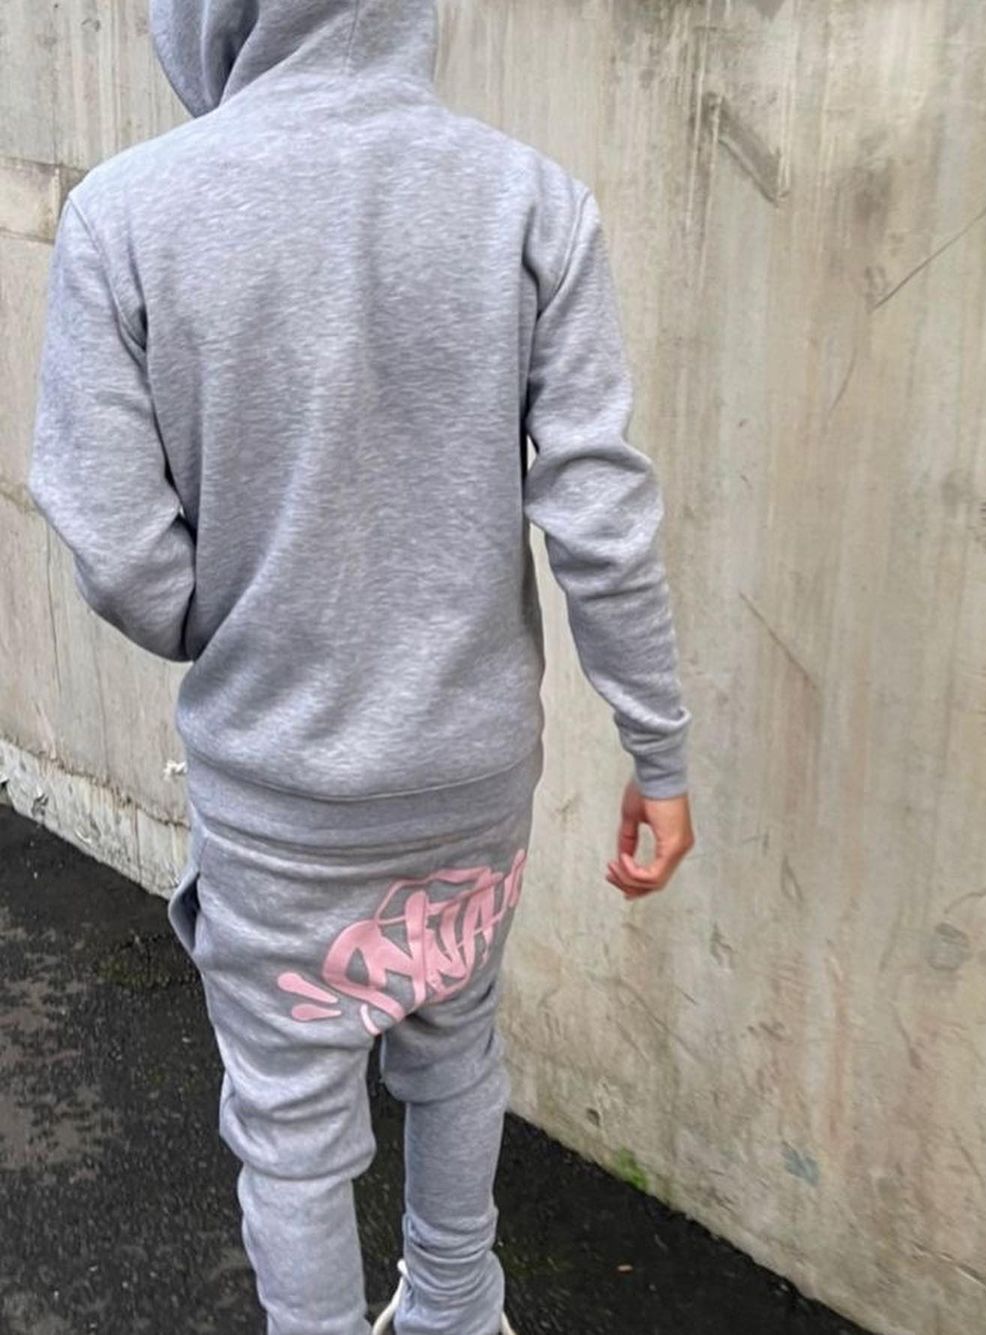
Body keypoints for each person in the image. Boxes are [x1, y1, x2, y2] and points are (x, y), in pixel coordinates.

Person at [26, 0, 696, 1331]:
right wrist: (658, 751)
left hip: (280, 788)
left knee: (291, 1131)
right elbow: (601, 516)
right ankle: (456, 1310)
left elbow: (111, 534)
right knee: (456, 1052)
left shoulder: (128, 214)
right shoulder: (528, 201)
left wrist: (225, 622)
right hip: (471, 780)